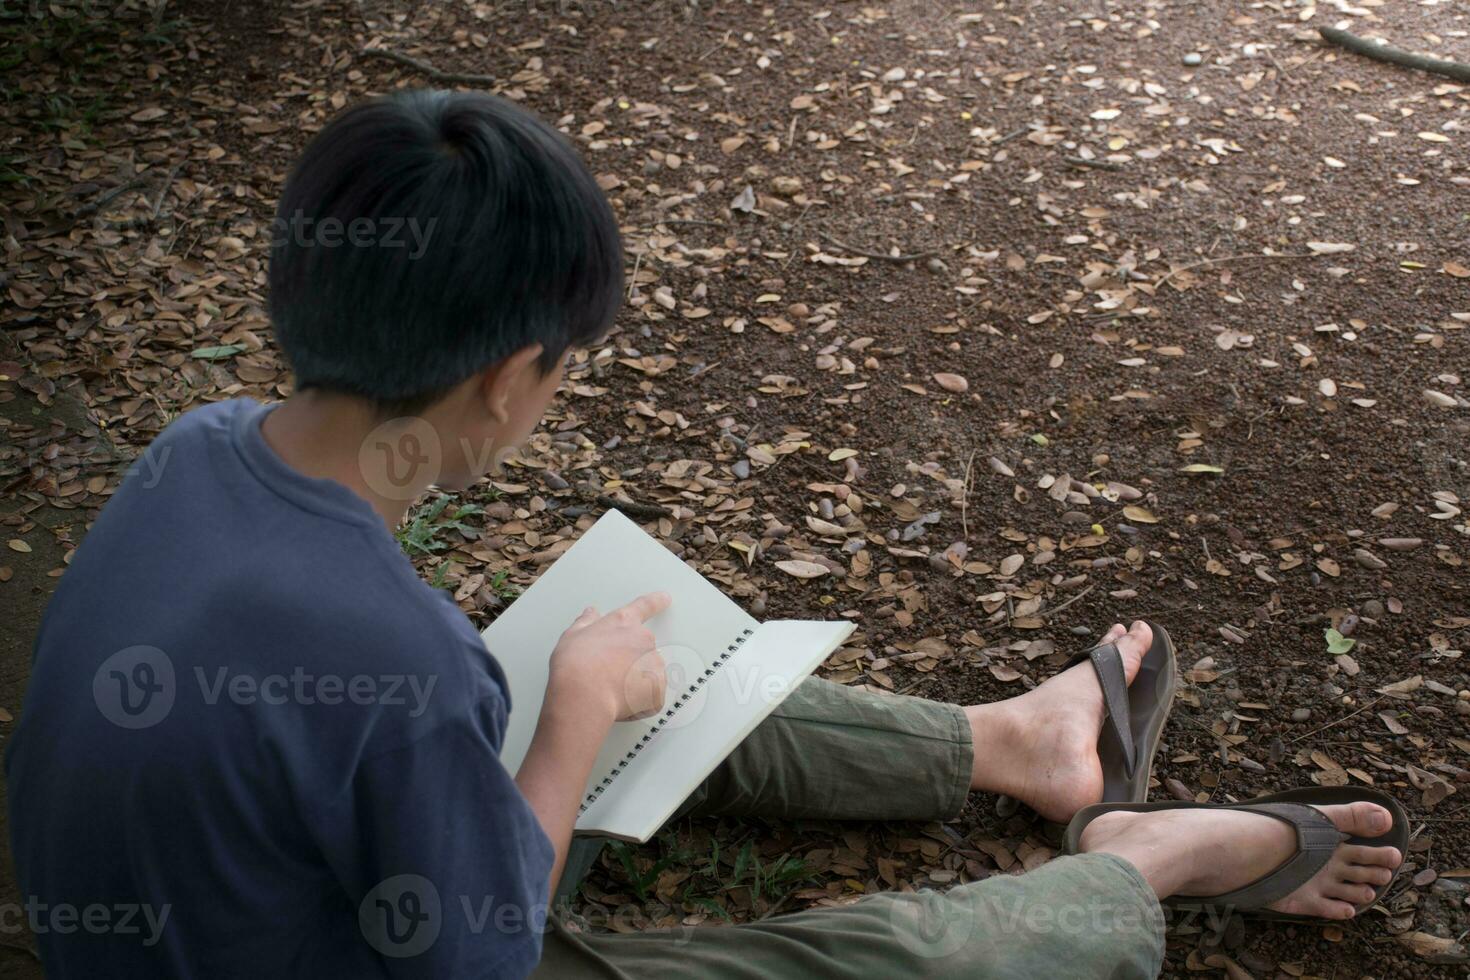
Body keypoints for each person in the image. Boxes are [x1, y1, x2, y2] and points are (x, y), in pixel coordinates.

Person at [5, 90, 1404, 980]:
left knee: (591, 655)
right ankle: (1123, 875)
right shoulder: (405, 662)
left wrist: (554, 699)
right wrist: (562, 729)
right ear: (511, 376)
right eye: (563, 374)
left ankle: (1011, 748)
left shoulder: (200, 444)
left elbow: (333, 681)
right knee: (782, 932)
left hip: (224, 901)